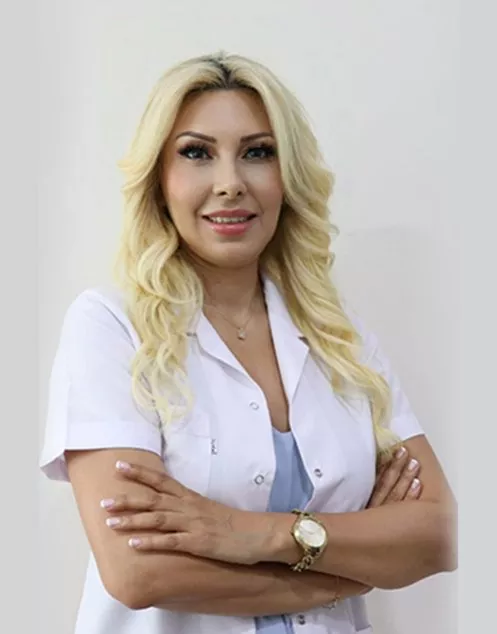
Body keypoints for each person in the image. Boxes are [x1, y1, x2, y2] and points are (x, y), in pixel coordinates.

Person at [40, 51, 456, 634]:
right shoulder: (110, 327)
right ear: (160, 180)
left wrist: (253, 534)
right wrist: (350, 572)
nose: (230, 183)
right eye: (196, 153)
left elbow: (438, 533)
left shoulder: (339, 337)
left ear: (288, 177)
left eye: (258, 153)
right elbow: (137, 572)